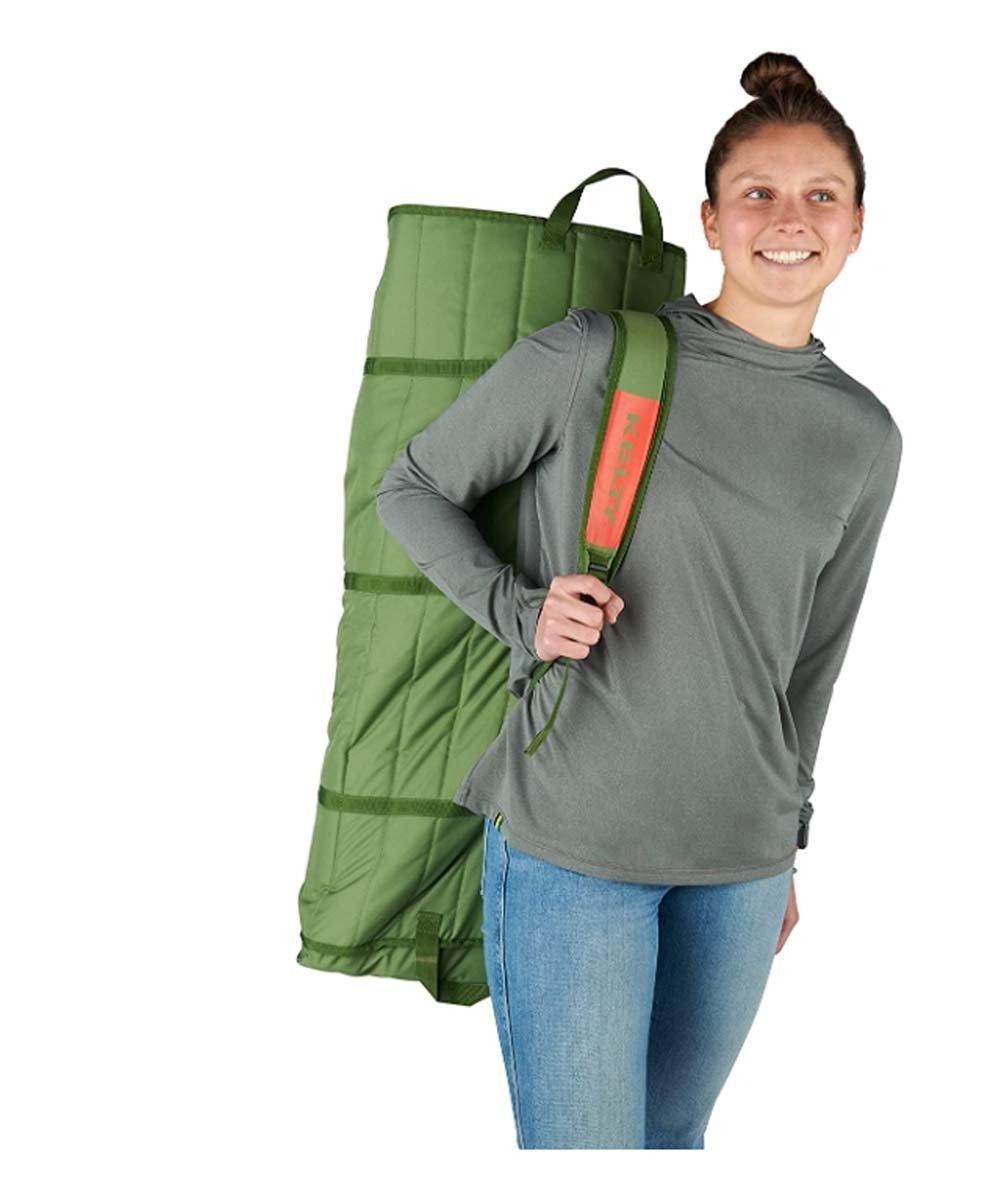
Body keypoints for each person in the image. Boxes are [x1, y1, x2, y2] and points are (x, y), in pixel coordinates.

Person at [375, 50, 903, 1149]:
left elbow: (814, 662)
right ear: (710, 220)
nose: (790, 220)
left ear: (858, 226)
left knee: (673, 1148)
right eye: (757, 192)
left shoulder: (863, 434)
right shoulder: (596, 357)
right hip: (575, 846)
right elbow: (413, 486)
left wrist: (787, 840)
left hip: (742, 862)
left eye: (822, 196)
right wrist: (519, 609)